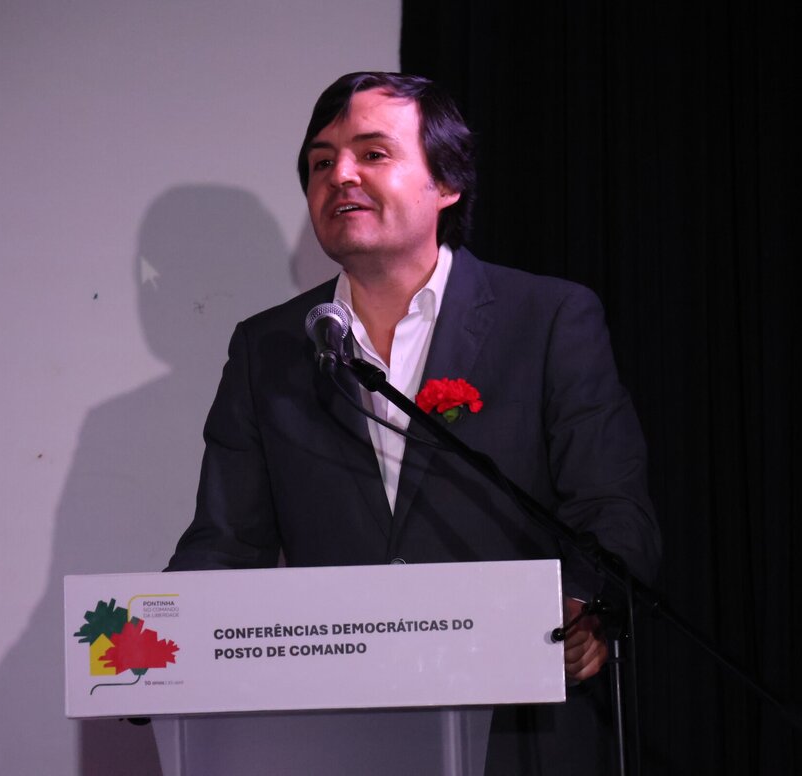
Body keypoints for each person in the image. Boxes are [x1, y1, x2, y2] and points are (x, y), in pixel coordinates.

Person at [168, 71, 661, 774]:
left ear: (448, 182)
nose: (340, 175)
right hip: (341, 728)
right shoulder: (269, 348)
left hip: (522, 725)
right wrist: (155, 650)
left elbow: (612, 505)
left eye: (372, 154)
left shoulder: (547, 319)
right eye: (320, 162)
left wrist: (585, 604)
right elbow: (226, 540)